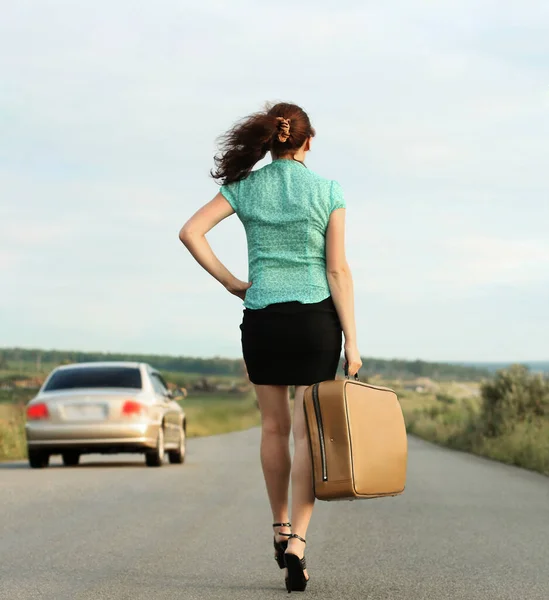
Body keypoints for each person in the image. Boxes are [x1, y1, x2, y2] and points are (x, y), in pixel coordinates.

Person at [179, 102, 362, 592]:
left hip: (263, 317)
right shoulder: (327, 190)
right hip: (316, 321)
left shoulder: (244, 186)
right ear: (307, 141)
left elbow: (190, 232)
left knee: (273, 427)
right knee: (306, 434)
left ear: (270, 140)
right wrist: (354, 343)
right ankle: (299, 542)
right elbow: (338, 270)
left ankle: (279, 526)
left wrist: (232, 283)